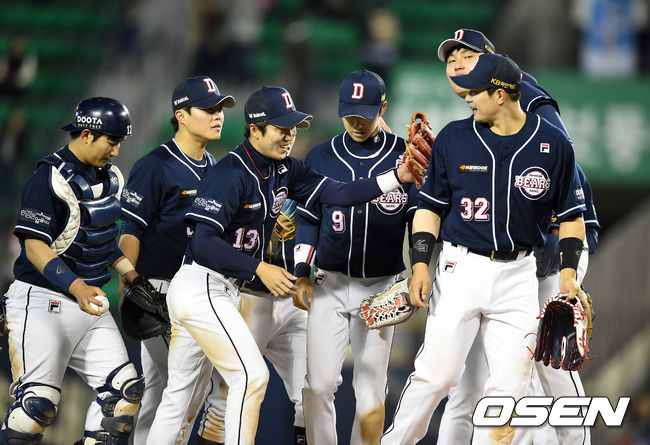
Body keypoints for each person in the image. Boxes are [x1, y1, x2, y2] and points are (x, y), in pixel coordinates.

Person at [145, 86, 413, 445]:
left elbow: (339, 193)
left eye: (293, 128)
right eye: (280, 129)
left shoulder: (285, 169)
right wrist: (260, 268)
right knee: (251, 377)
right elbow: (203, 243)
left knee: (180, 397)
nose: (289, 136)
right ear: (254, 130)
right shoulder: (230, 173)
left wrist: (398, 176)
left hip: (223, 289)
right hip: (201, 284)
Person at [380, 53, 590, 445]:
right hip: (461, 269)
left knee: (507, 396)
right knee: (437, 377)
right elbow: (429, 209)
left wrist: (567, 274)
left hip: (519, 276)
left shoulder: (553, 143)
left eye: (476, 91)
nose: (468, 97)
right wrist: (420, 265)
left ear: (501, 95)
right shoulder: (455, 138)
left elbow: (571, 217)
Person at [434, 29, 600, 445]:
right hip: (494, 261)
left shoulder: (529, 99)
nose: (457, 64)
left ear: (494, 65)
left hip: (552, 243)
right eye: (451, 58)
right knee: (472, 386)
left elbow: (554, 176)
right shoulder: (471, 124)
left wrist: (567, 269)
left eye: (469, 56)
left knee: (549, 363)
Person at [0, 97, 145, 445]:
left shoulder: (111, 178)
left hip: (89, 302)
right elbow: (34, 247)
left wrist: (130, 275)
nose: (116, 150)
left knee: (123, 396)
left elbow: (99, 240)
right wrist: (77, 286)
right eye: (112, 141)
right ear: (86, 134)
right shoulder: (48, 177)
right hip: (41, 299)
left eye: (120, 142)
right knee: (36, 410)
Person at [292, 69, 418, 445]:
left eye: (365, 114)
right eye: (350, 115)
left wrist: (420, 268)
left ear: (383, 108)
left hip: (380, 287)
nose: (357, 123)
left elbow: (420, 221)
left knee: (371, 390)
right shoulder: (321, 156)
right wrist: (301, 270)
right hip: (328, 284)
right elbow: (308, 219)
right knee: (318, 386)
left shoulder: (405, 157)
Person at [118, 75, 235, 444]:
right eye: (209, 109)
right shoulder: (155, 165)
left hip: (199, 292)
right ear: (181, 115)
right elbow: (130, 231)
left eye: (220, 108)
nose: (218, 115)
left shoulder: (216, 167)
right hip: (158, 291)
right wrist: (130, 283)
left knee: (165, 393)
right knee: (181, 389)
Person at [196, 199, 308, 445]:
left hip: (293, 299)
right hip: (245, 294)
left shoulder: (310, 180)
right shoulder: (238, 181)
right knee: (224, 403)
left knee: (312, 396)